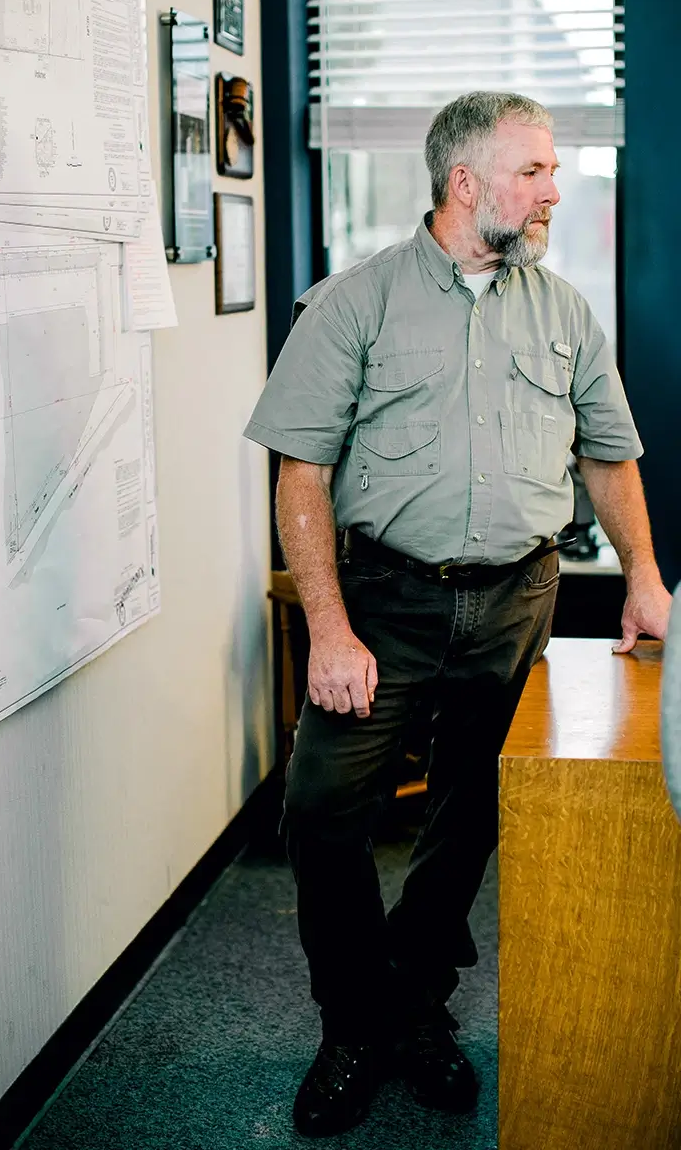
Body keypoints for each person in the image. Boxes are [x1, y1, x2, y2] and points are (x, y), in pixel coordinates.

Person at [244, 91, 672, 1138]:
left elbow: (604, 455)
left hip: (517, 595)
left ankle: (417, 1002)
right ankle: (352, 1020)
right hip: (382, 598)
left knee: (475, 809)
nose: (551, 189)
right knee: (324, 808)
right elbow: (300, 476)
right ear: (462, 180)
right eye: (531, 170)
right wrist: (331, 631)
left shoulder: (562, 310)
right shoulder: (351, 303)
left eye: (552, 170)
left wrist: (642, 578)